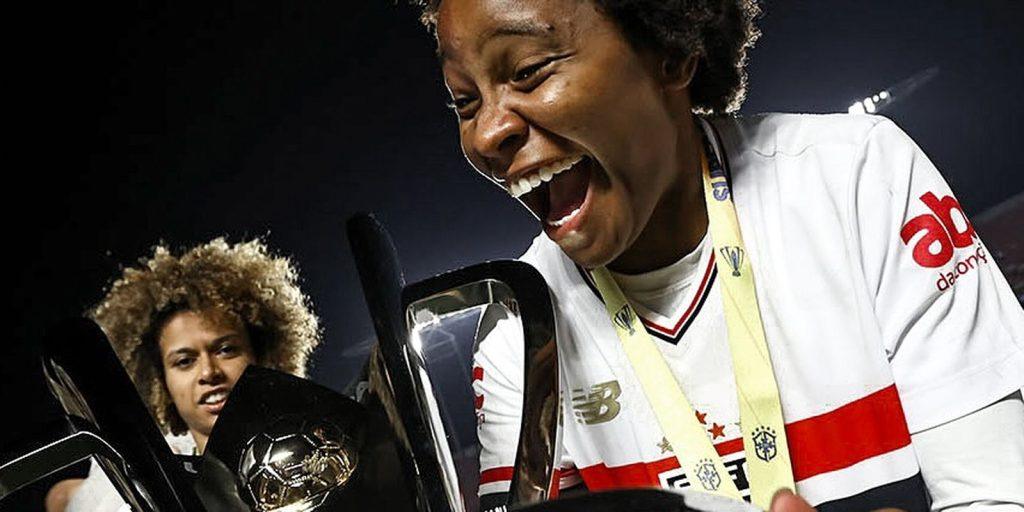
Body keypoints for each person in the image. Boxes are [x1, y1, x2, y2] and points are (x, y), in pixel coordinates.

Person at [410, 0, 1024, 511]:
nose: (486, 133)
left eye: (528, 71)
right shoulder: (518, 329)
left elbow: (997, 495)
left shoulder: (858, 178)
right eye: (465, 102)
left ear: (671, 53)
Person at [44, 238, 322, 512]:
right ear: (161, 382)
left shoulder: (323, 447)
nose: (209, 372)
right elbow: (62, 496)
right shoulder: (135, 481)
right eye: (185, 361)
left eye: (226, 350)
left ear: (261, 355)